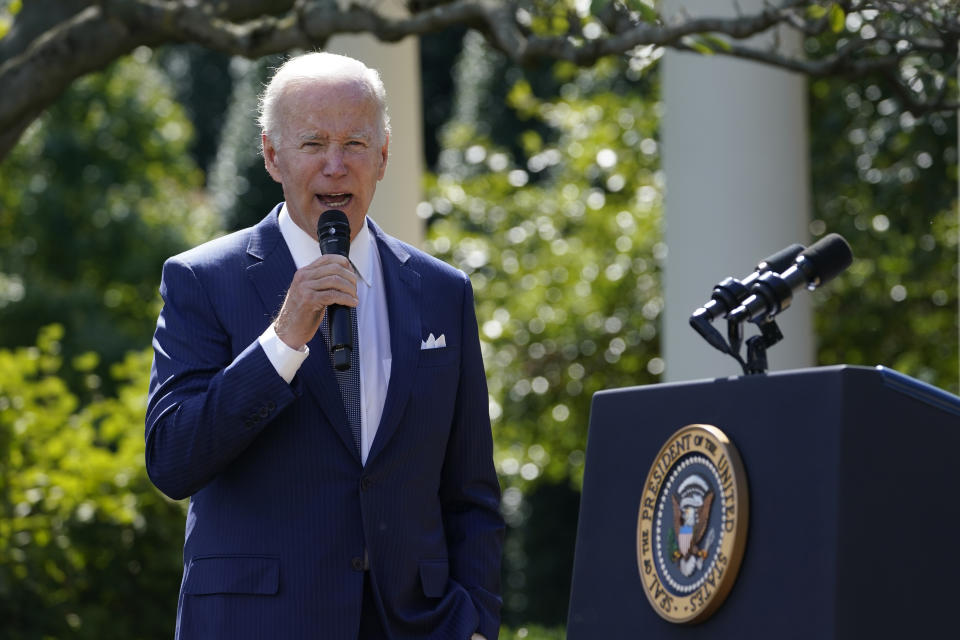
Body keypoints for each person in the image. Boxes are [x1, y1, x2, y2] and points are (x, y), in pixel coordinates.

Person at [145, 52, 503, 640]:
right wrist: (283, 340)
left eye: (355, 144)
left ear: (383, 156)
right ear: (271, 154)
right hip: (257, 623)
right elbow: (173, 460)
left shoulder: (443, 292)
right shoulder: (203, 280)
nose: (336, 166)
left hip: (416, 624)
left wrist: (476, 624)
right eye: (313, 144)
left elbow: (471, 492)